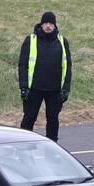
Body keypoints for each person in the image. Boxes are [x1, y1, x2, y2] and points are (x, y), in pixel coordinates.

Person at [18, 11, 72, 141]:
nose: (48, 26)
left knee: (53, 120)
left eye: (51, 23)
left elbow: (68, 67)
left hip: (54, 90)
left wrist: (65, 89)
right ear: (41, 25)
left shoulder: (62, 41)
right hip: (34, 89)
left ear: (55, 26)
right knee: (29, 118)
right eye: (45, 23)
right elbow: (23, 65)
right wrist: (24, 87)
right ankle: (22, 144)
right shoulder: (30, 40)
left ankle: (52, 147)